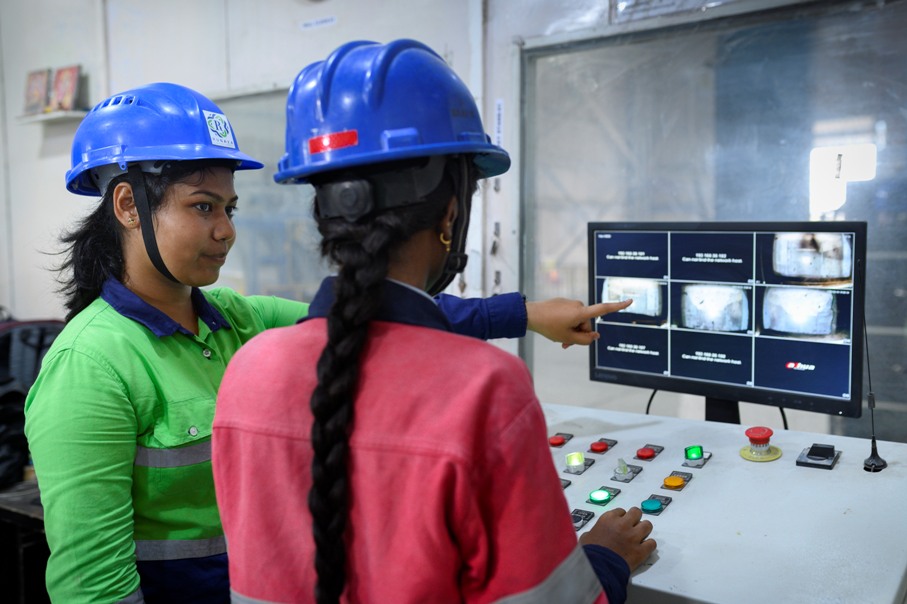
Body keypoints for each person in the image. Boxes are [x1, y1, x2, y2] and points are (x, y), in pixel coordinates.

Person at [23, 82, 630, 604]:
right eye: (202, 206)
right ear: (129, 205)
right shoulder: (91, 365)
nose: (226, 231)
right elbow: (92, 585)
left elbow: (383, 315)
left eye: (230, 207)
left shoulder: (236, 322)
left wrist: (524, 314)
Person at [212, 39, 655, 604]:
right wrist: (605, 558)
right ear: (451, 212)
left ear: (322, 208)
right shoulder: (486, 390)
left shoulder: (247, 371)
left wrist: (523, 313)